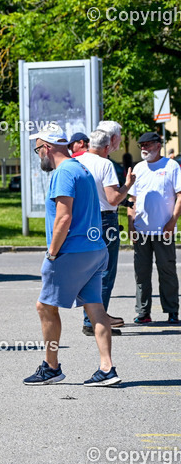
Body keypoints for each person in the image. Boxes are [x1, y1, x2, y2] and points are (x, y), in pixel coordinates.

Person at [24, 129, 119, 387]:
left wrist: (52, 252)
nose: (39, 154)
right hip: (95, 249)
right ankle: (107, 368)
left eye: (38, 149)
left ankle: (51, 366)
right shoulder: (81, 169)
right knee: (95, 308)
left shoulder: (63, 172)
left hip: (72, 252)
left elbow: (63, 218)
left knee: (45, 307)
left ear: (49, 147)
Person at [74, 128, 133, 336]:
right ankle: (95, 321)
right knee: (105, 271)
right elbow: (113, 199)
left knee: (88, 271)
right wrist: (127, 185)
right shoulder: (105, 164)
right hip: (104, 220)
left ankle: (89, 318)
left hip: (82, 219)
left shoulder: (77, 162)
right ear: (107, 147)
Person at [128, 131, 181, 325]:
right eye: (142, 145)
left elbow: (180, 196)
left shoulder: (171, 166)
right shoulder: (138, 168)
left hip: (164, 230)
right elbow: (132, 199)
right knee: (141, 273)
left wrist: (172, 222)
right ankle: (143, 312)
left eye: (148, 145)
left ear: (158, 146)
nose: (144, 148)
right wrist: (131, 224)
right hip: (141, 230)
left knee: (167, 271)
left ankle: (172, 311)